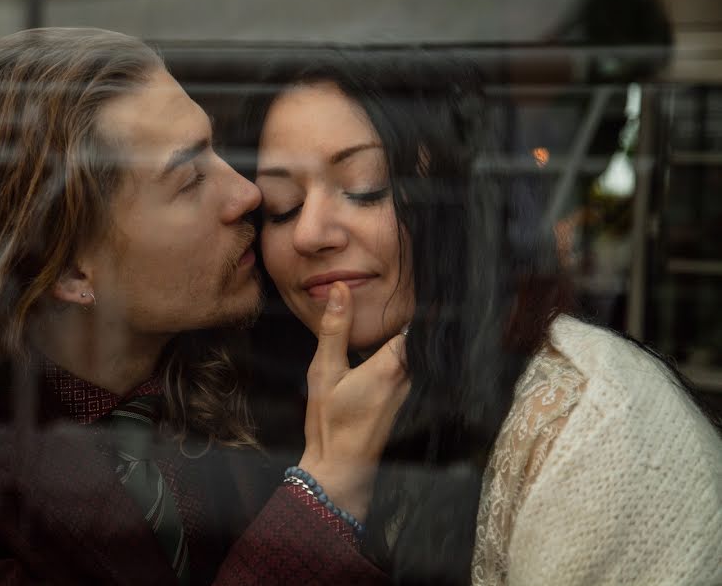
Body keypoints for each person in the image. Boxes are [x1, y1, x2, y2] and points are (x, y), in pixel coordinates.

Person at [0, 29, 406, 584]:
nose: (247, 194)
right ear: (73, 270)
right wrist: (322, 496)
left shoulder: (242, 375)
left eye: (216, 151)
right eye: (188, 180)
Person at [242, 51, 722, 585]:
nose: (308, 234)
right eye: (280, 206)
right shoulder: (312, 410)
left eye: (364, 185)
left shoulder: (584, 431)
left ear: (455, 195)